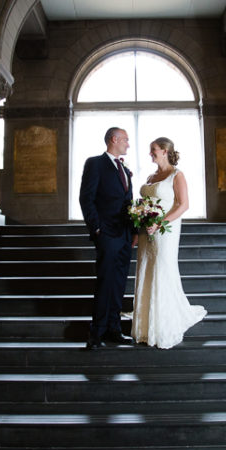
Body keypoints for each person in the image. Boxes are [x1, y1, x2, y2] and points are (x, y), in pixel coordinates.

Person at [129, 137, 206, 348]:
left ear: (165, 151)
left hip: (165, 231)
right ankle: (145, 323)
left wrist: (160, 223)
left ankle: (162, 324)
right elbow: (143, 205)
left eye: (153, 150)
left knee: (162, 269)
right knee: (146, 269)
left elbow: (183, 205)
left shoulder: (176, 175)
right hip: (146, 231)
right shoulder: (151, 176)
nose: (150, 153)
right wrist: (139, 230)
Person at [79, 127, 137, 350]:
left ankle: (114, 329)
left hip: (124, 235)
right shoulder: (95, 163)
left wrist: (133, 231)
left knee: (119, 283)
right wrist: (96, 229)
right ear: (114, 139)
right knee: (105, 283)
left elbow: (128, 202)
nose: (128, 144)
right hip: (107, 233)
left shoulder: (123, 167)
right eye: (125, 140)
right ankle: (96, 333)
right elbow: (87, 198)